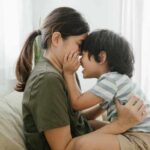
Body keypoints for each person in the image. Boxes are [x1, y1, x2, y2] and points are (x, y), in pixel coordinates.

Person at [15, 7, 146, 150]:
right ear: (57, 39)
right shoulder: (48, 80)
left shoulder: (66, 72)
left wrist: (105, 106)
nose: (81, 54)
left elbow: (76, 119)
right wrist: (121, 124)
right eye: (79, 44)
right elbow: (64, 147)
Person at [63, 29, 150, 150]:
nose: (80, 60)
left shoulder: (110, 80)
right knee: (90, 125)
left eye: (83, 55)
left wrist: (68, 73)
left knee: (82, 145)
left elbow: (77, 103)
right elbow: (88, 116)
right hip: (136, 133)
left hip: (140, 138)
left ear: (101, 57)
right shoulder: (116, 81)